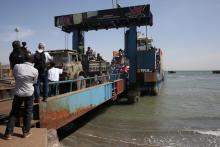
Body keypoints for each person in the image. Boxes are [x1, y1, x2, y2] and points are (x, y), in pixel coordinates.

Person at [4, 53, 38, 140]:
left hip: (18, 93)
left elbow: (15, 76)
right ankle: (26, 132)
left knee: (14, 112)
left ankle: (8, 133)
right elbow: (34, 82)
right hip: (29, 93)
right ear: (32, 60)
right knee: (28, 112)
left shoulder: (17, 67)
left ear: (24, 59)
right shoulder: (35, 70)